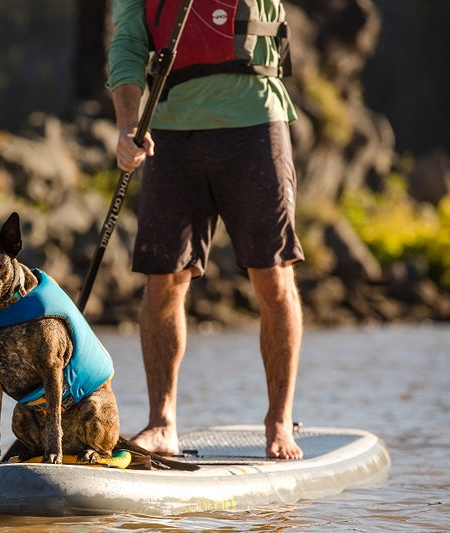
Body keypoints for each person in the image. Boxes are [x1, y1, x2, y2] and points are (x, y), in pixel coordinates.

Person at [107, 0, 304, 459]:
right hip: (171, 132)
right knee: (163, 283)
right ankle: (162, 423)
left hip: (255, 119)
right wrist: (127, 126)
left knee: (273, 276)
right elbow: (127, 46)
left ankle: (278, 423)